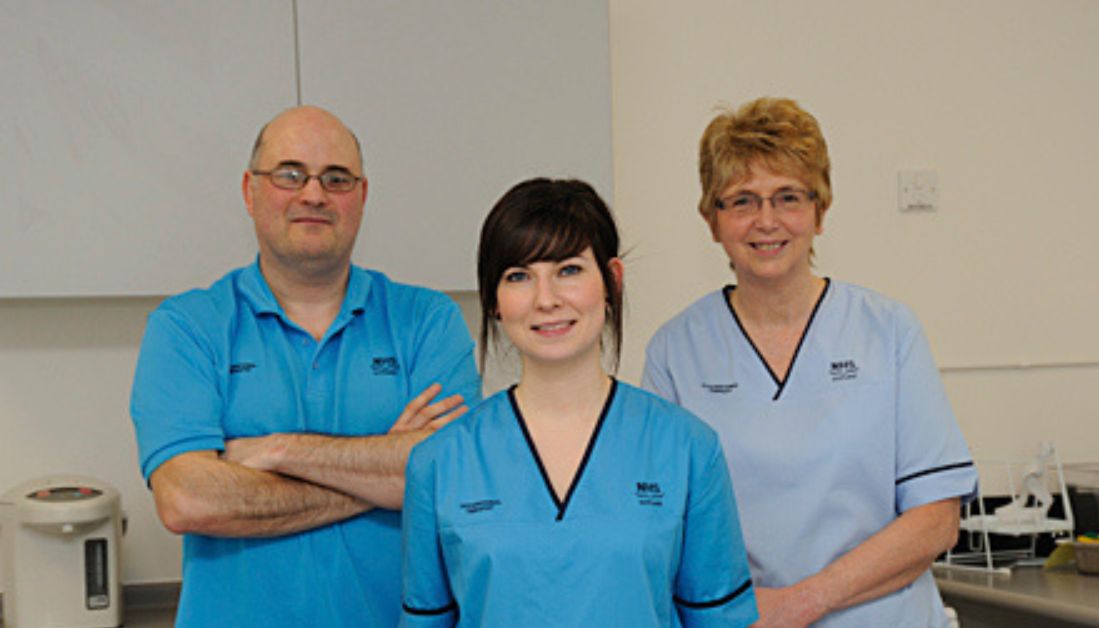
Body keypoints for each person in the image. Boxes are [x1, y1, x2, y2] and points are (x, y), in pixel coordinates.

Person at [129, 106, 482, 627]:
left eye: (336, 178)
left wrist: (279, 450)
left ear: (362, 196)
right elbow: (188, 500)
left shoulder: (426, 320)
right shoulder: (188, 327)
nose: (313, 194)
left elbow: (451, 474)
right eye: (290, 174)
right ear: (250, 191)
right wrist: (383, 473)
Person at [642, 97, 978, 627]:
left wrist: (800, 603)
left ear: (820, 211)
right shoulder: (676, 351)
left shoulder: (888, 331)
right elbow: (665, 525)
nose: (766, 220)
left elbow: (937, 519)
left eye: (788, 197)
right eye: (742, 201)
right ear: (712, 220)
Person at [399, 178, 758, 627]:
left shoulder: (687, 448)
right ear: (494, 302)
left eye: (568, 270)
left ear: (612, 281)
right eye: (518, 276)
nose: (546, 299)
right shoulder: (440, 462)